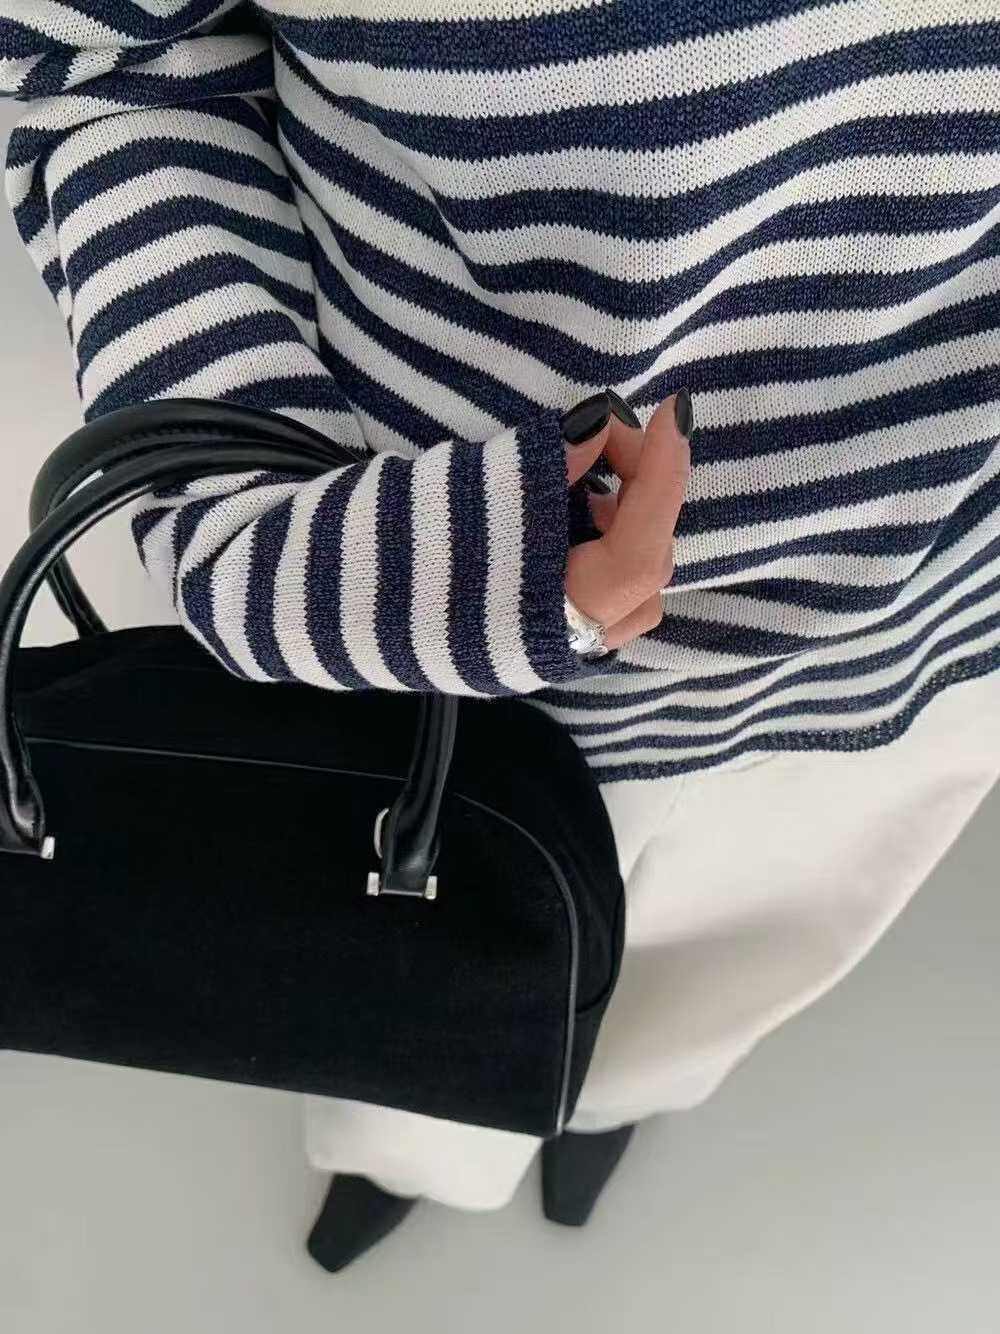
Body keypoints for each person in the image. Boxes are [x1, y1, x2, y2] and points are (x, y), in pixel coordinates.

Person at [2, 0, 999, 1272]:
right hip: (433, 634)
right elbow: (97, 62)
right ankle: (411, 1156)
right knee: (394, 997)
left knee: (724, 978)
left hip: (925, 633)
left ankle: (612, 1096)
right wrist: (272, 547)